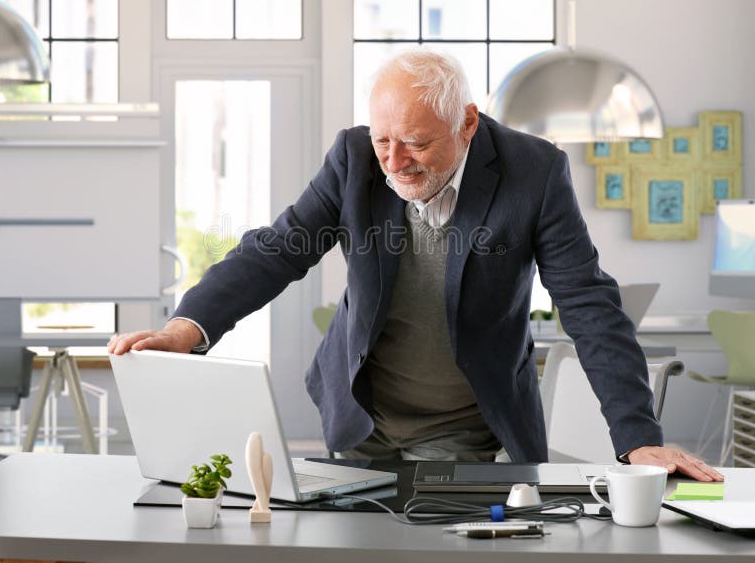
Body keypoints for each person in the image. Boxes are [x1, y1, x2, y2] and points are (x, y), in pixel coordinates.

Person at [110, 49, 721, 481]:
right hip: (362, 415)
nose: (397, 162)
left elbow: (588, 302)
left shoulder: (534, 172)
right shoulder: (353, 159)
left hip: (466, 423)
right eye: (384, 141)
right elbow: (278, 250)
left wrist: (639, 440)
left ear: (468, 123)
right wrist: (186, 330)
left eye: (419, 143)